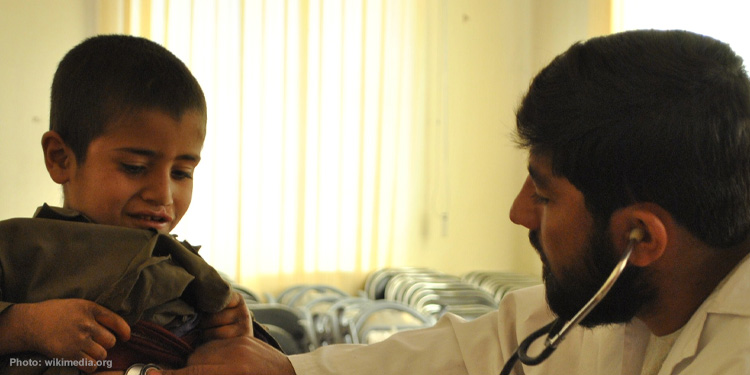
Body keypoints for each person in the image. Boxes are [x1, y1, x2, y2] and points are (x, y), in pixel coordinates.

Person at [155, 29, 750, 375]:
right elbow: (476, 351)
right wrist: (289, 370)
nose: (518, 212)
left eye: (543, 194)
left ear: (640, 238)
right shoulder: (611, 303)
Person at [0, 35, 280, 375]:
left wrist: (231, 337)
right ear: (61, 158)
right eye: (134, 167)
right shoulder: (21, 247)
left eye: (182, 172)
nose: (163, 195)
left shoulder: (180, 266)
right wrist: (26, 325)